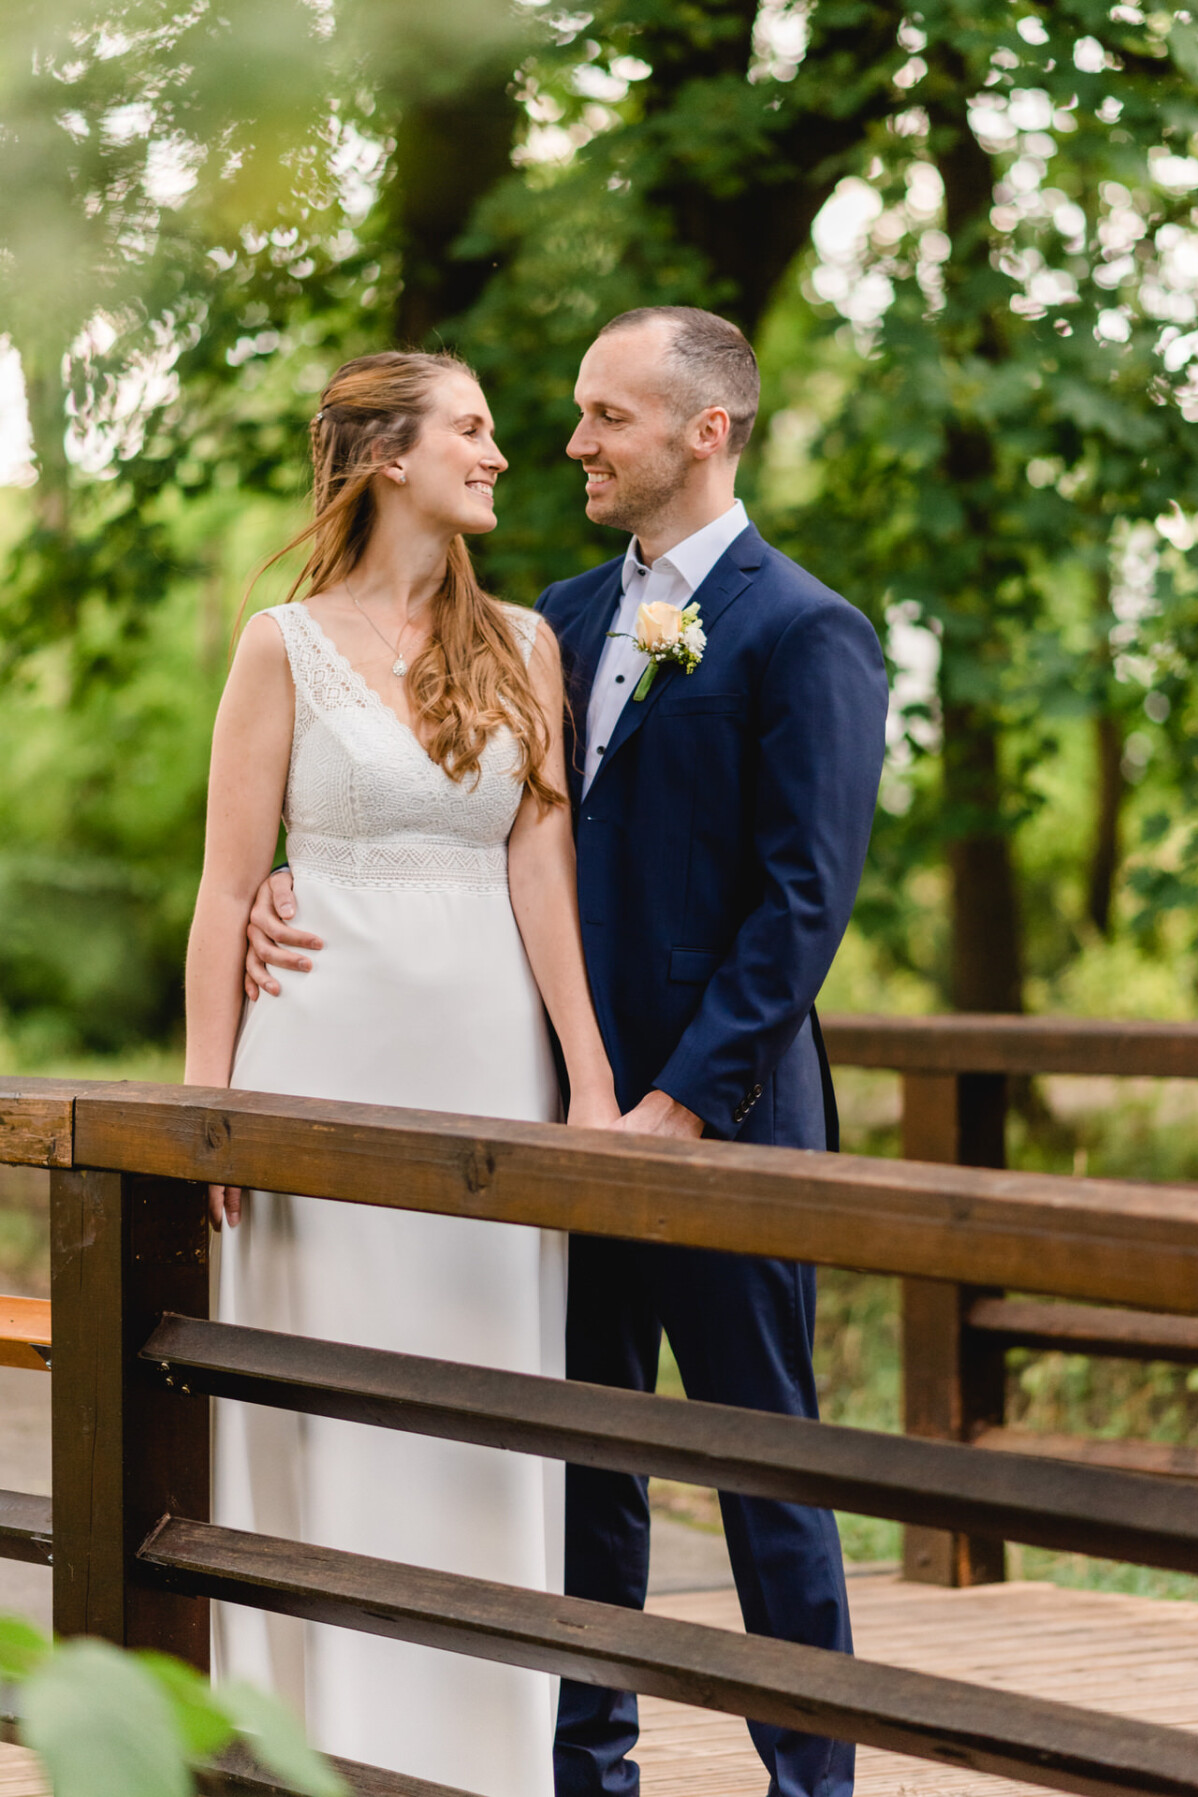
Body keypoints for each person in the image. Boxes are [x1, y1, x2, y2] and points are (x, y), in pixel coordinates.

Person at [247, 308, 889, 1797]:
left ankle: (815, 1784)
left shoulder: (807, 630)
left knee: (763, 1472)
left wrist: (679, 1100)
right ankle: (587, 1771)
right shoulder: (549, 619)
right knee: (582, 1458)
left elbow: (804, 905)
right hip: (555, 1116)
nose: (573, 442)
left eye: (607, 416)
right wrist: (306, 883)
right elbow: (494, 844)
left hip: (721, 1125)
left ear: (704, 431)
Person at [184, 349, 619, 1797]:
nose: (503, 454)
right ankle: (305, 1749)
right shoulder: (281, 644)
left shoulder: (526, 644)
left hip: (487, 1066)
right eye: (475, 430)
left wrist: (591, 1079)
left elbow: (540, 860)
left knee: (480, 1392)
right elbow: (226, 890)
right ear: (387, 456)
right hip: (318, 1056)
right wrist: (210, 1109)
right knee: (323, 1390)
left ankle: (478, 1759)